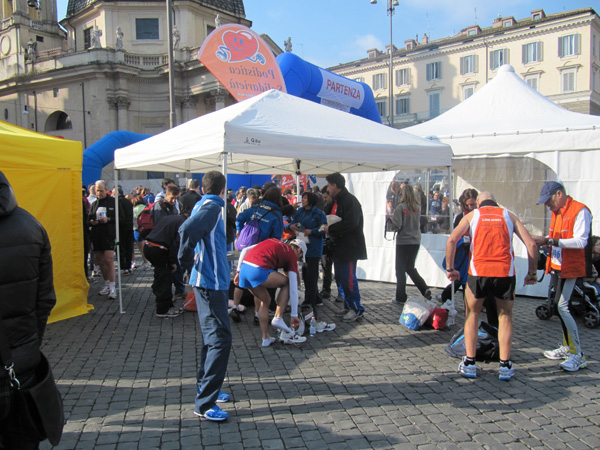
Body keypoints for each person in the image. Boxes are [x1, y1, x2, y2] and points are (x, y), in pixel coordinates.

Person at [446, 191, 538, 381]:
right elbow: (531, 244)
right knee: (505, 317)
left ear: (479, 203)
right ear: (495, 202)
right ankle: (505, 365)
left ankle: (470, 363)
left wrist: (451, 268)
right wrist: (532, 272)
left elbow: (452, 240)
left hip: (478, 272)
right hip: (504, 273)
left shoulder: (473, 215)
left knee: (472, 314)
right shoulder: (508, 215)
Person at [0, 171, 57, 449]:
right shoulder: (31, 226)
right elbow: (45, 300)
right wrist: (28, 342)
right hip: (21, 365)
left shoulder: (30, 226)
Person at [178, 171, 232, 422]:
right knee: (220, 339)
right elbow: (187, 229)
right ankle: (204, 402)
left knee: (213, 338)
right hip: (211, 283)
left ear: (201, 188)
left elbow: (189, 229)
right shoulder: (212, 206)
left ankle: (206, 387)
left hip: (210, 282)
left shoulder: (204, 203)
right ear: (223, 189)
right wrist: (186, 261)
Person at [534, 181, 592, 372]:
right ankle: (568, 348)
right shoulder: (557, 212)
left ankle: (578, 355)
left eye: (548, 200)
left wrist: (549, 240)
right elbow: (558, 238)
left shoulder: (580, 211)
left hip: (571, 268)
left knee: (563, 307)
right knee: (558, 307)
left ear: (559, 194)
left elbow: (581, 241)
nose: (547, 205)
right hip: (558, 267)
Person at [234, 238, 308, 347]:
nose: (298, 261)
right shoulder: (291, 255)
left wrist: (238, 271)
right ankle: (278, 317)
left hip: (245, 270)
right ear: (299, 250)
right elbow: (293, 288)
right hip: (258, 270)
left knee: (265, 300)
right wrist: (294, 315)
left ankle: (266, 338)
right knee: (287, 283)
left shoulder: (274, 241)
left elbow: (245, 250)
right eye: (300, 258)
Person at [325, 172, 367, 322]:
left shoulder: (350, 201)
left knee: (349, 279)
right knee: (341, 278)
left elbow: (351, 223)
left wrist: (331, 229)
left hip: (349, 247)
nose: (328, 189)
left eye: (329, 185)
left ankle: (357, 308)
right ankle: (348, 306)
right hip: (339, 246)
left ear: (335, 185)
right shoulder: (336, 201)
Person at [291, 192, 334, 332]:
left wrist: (312, 231)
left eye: (304, 198)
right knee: (305, 275)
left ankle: (311, 303)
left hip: (314, 248)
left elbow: (323, 228)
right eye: (302, 198)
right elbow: (292, 221)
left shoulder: (319, 213)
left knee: (312, 276)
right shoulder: (300, 212)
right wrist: (293, 226)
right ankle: (312, 300)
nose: (302, 200)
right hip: (302, 248)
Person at [391, 185, 432, 304]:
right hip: (415, 241)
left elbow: (397, 225)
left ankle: (400, 296)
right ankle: (424, 288)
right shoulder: (417, 208)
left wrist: (392, 223)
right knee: (410, 267)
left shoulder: (400, 208)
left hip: (403, 241)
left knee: (400, 270)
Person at [143, 214, 186, 318]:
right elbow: (175, 244)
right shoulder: (183, 223)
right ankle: (163, 309)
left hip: (149, 246)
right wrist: (173, 262)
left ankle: (167, 305)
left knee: (161, 275)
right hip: (159, 248)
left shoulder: (170, 217)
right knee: (164, 278)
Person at [88, 180, 122, 299]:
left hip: (109, 235)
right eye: (97, 190)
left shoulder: (113, 202)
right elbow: (89, 219)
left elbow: (121, 218)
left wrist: (109, 219)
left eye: (101, 190)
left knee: (109, 260)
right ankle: (107, 284)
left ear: (105, 190)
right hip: (97, 236)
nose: (99, 193)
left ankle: (113, 287)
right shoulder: (94, 204)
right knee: (100, 260)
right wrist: (92, 221)